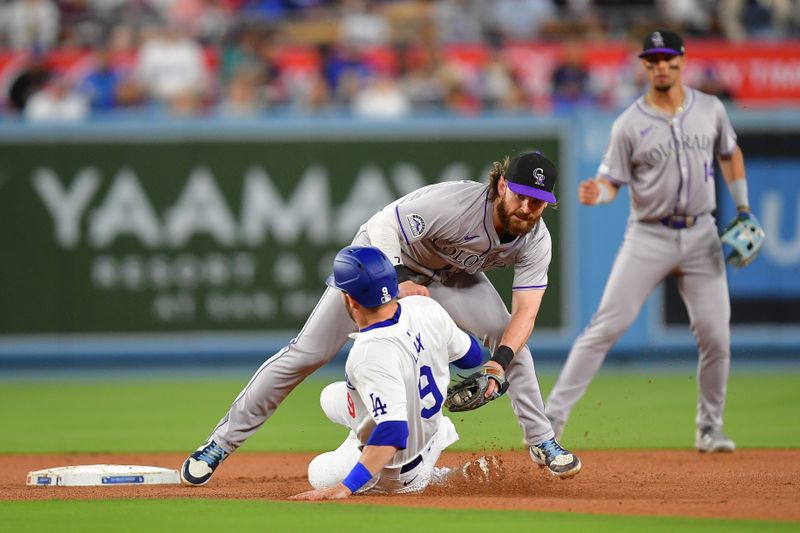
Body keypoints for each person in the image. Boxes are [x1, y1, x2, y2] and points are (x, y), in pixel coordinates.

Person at [179, 150, 582, 487]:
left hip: (448, 277)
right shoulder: (454, 204)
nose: (529, 207)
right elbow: (383, 223)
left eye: (539, 201)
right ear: (501, 186)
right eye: (522, 196)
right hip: (379, 263)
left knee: (511, 343)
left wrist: (498, 365)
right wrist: (398, 280)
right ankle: (218, 444)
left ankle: (543, 440)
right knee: (307, 353)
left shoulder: (536, 239)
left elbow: (526, 312)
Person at [545, 29, 760, 453]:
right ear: (644, 65)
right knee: (605, 327)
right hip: (649, 234)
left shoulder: (711, 109)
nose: (661, 66)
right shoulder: (629, 123)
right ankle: (550, 422)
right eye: (653, 59)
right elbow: (610, 182)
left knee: (717, 336)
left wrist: (744, 208)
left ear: (682, 60)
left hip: (702, 232)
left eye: (668, 58)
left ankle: (709, 427)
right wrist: (598, 193)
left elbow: (730, 153)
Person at [289, 245, 482, 500]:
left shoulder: (368, 354)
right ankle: (389, 435)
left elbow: (393, 431)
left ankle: (435, 477)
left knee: (320, 472)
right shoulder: (425, 307)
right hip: (431, 432)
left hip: (395, 472)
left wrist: (345, 487)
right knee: (330, 397)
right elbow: (473, 357)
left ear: (350, 299)